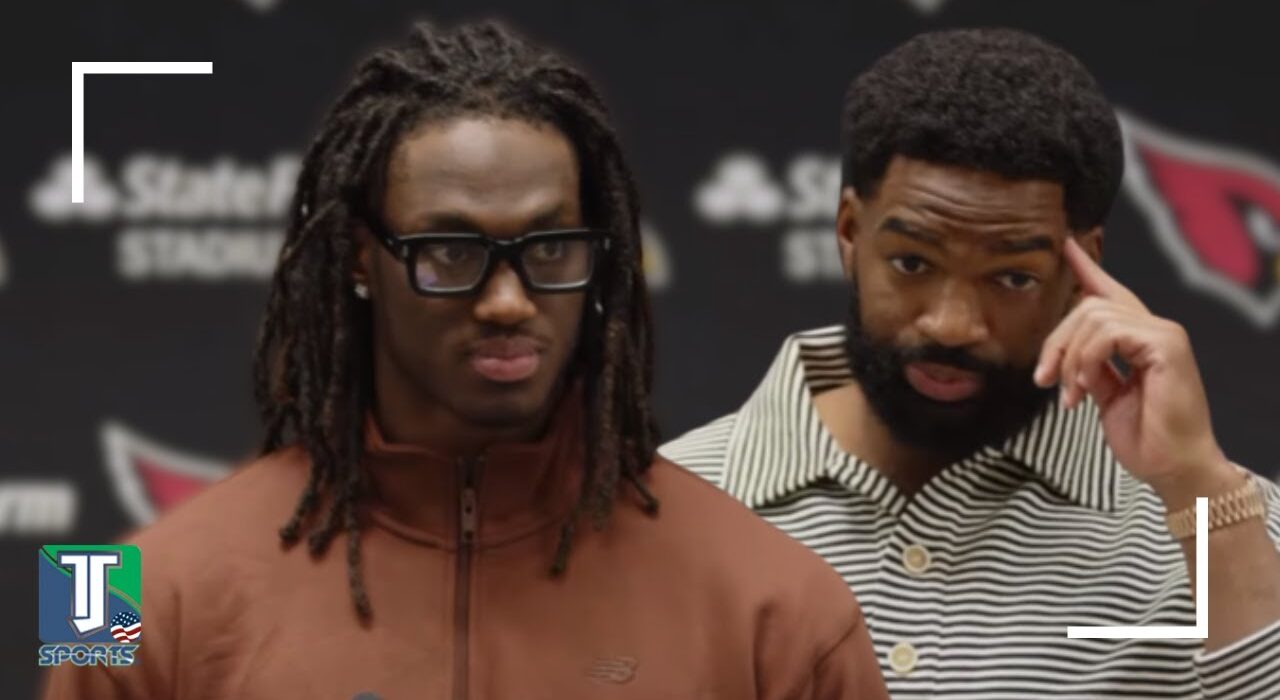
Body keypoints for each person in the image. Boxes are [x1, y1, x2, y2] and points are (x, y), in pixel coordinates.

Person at [42, 21, 888, 700]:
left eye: (550, 249)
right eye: (450, 251)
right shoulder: (112, 596)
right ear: (359, 256)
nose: (509, 301)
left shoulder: (785, 610)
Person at [663, 28, 1280, 699]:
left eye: (1012, 278)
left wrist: (1195, 488)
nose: (952, 324)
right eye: (912, 263)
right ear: (848, 232)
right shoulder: (666, 507)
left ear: (1084, 269)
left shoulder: (1222, 526)